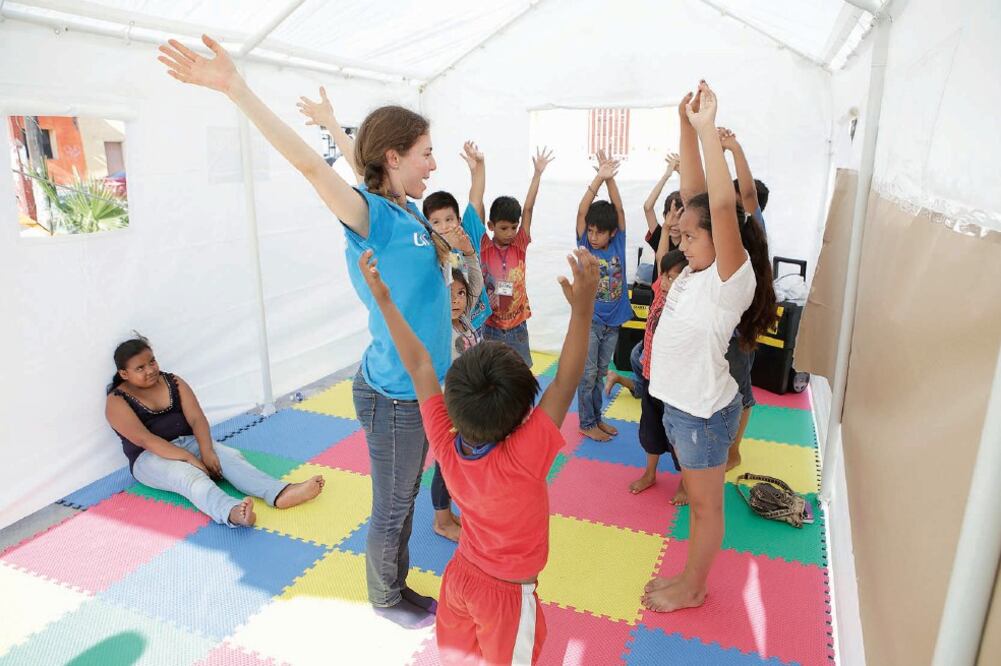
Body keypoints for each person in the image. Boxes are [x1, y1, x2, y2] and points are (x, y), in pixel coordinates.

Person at [157, 35, 451, 628]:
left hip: (418, 389)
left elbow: (359, 164)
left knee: (405, 501)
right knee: (393, 508)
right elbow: (313, 167)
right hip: (396, 396)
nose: (433, 163)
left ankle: (395, 586)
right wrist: (236, 88)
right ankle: (387, 597)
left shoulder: (400, 207)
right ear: (395, 157)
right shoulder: (373, 219)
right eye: (425, 152)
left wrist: (337, 128)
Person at [357, 244, 598, 665]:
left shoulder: (446, 442)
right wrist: (582, 311)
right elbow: (566, 381)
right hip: (506, 595)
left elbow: (418, 365)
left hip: (460, 578)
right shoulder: (526, 454)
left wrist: (384, 301)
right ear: (524, 413)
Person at [643, 82, 775, 613]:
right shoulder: (700, 266)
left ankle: (694, 587)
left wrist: (710, 133)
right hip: (680, 408)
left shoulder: (728, 278)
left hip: (702, 415)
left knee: (703, 509)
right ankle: (689, 577)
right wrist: (686, 126)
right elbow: (698, 196)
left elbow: (719, 204)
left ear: (723, 241)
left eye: (689, 235)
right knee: (696, 506)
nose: (679, 237)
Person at [105, 336, 324, 527]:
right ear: (124, 373)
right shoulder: (116, 402)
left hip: (187, 441)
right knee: (189, 476)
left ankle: (279, 492)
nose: (151, 369)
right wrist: (190, 459)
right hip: (149, 458)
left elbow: (196, 417)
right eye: (140, 368)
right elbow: (146, 440)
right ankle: (232, 513)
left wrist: (206, 450)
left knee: (229, 458)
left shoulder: (173, 381)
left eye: (151, 361)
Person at [718, 126, 773, 471]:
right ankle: (725, 440)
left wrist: (734, 148)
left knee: (742, 388)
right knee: (728, 381)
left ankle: (734, 450)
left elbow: (748, 194)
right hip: (726, 320)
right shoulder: (726, 230)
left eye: (736, 202)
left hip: (742, 325)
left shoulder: (754, 227)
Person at [575, 149, 632, 442]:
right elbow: (582, 212)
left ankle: (597, 418)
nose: (594, 236)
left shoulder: (618, 242)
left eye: (600, 232)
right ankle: (586, 422)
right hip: (592, 322)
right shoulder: (585, 244)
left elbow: (620, 211)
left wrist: (611, 181)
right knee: (587, 375)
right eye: (592, 231)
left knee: (599, 373)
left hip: (613, 321)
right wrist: (598, 177)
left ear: (612, 233)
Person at [479, 147, 555, 366]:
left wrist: (537, 174)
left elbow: (528, 209)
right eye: (504, 228)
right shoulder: (484, 246)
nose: (510, 233)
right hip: (491, 327)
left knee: (521, 375)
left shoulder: (519, 245)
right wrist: (477, 170)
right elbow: (478, 208)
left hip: (518, 327)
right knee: (492, 374)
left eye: (514, 227)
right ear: (491, 226)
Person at [431, 232, 484, 542]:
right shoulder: (439, 328)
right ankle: (441, 520)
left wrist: (462, 253)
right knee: (445, 465)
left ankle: (449, 512)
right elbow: (446, 279)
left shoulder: (465, 321)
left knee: (460, 464)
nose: (455, 300)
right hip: (448, 409)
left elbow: (465, 278)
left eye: (461, 295)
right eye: (449, 294)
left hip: (466, 406)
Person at [629, 244, 689, 503]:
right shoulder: (659, 294)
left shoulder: (686, 307)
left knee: (678, 436)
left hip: (673, 386)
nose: (665, 281)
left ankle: (686, 483)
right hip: (651, 377)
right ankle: (650, 472)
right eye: (663, 275)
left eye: (672, 278)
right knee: (650, 429)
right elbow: (661, 254)